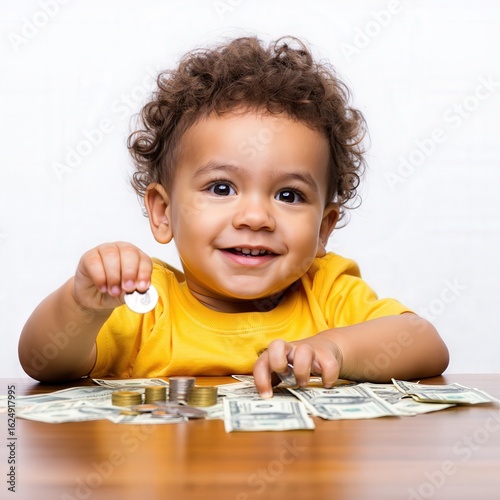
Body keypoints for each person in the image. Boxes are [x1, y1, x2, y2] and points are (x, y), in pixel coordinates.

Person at [18, 36, 449, 398]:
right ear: (163, 213)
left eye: (288, 194)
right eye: (222, 188)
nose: (256, 217)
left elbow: (425, 342)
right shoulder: (146, 304)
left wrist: (334, 348)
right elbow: (44, 362)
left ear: (323, 229)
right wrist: (81, 307)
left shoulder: (327, 294)